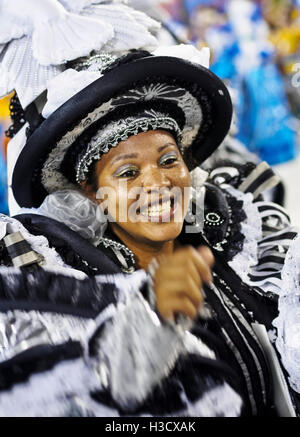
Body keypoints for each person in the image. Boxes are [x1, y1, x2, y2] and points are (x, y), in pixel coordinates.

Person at [0, 0, 299, 417]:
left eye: (168, 160)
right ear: (91, 191)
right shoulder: (55, 276)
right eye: (127, 173)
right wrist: (147, 322)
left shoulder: (239, 232)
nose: (158, 185)